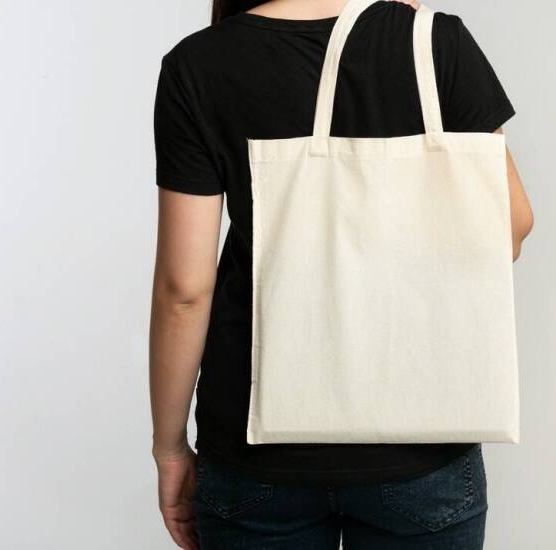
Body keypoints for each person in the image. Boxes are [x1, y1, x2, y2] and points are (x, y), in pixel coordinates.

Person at [149, 0, 534, 547]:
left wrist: (169, 447)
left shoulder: (199, 63)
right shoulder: (432, 41)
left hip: (252, 453)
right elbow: (511, 229)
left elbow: (184, 291)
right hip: (422, 449)